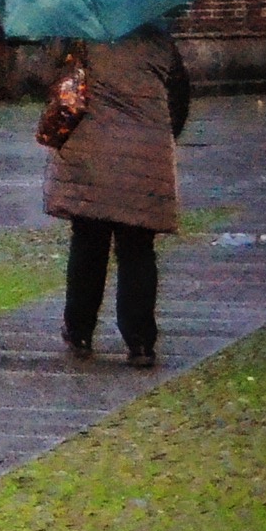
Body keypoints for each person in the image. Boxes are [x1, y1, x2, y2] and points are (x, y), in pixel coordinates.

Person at [43, 19, 188, 364]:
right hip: (144, 153)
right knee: (138, 248)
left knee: (88, 243)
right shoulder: (159, 40)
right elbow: (179, 98)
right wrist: (157, 136)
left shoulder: (80, 36)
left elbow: (56, 85)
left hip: (89, 153)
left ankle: (79, 330)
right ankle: (140, 341)